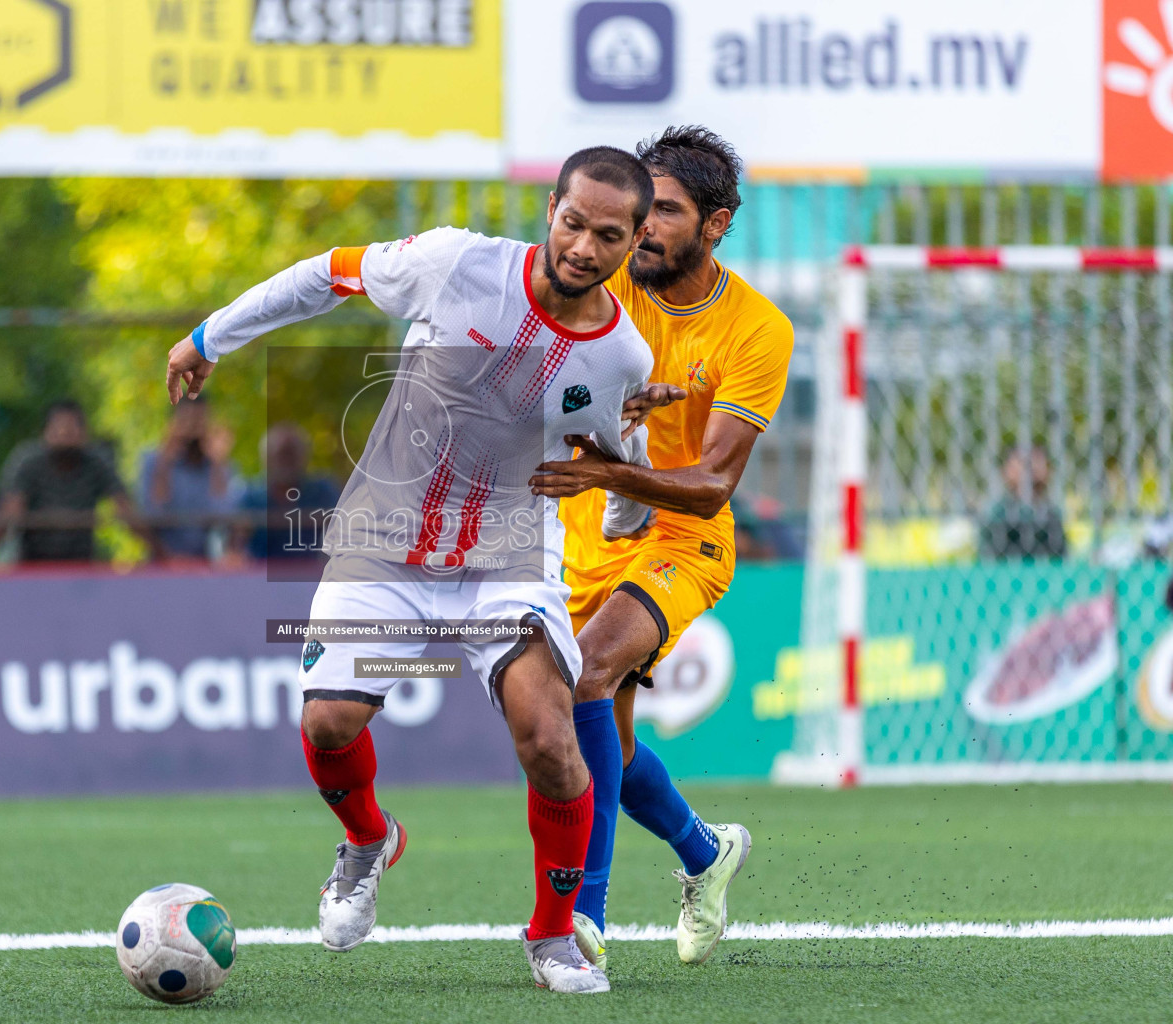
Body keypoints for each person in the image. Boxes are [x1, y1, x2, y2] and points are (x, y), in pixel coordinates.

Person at [165, 146, 666, 993]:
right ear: (551, 209)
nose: (584, 246)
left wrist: (623, 503)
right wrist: (211, 334)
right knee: (328, 723)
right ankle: (367, 840)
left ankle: (552, 937)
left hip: (507, 556)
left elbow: (625, 464)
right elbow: (326, 274)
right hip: (384, 536)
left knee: (548, 738)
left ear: (633, 240)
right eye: (574, 222)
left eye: (608, 235)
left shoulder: (622, 359)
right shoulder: (454, 262)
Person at [531, 127, 795, 970]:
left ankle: (585, 915)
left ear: (715, 225)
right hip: (584, 534)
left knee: (589, 673)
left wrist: (610, 463)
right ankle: (704, 850)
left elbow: (715, 482)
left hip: (686, 538)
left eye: (666, 213)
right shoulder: (602, 283)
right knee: (596, 735)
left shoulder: (757, 331)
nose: (640, 228)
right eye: (640, 209)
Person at [0, 400, 136, 564]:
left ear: (84, 432)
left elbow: (125, 507)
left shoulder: (96, 462)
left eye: (72, 427)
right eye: (58, 427)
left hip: (81, 564)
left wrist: (161, 553)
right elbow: (11, 512)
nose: (65, 433)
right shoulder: (28, 461)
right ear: (45, 432)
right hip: (34, 563)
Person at [138, 396, 243, 561]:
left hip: (207, 564)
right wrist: (165, 462)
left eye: (200, 421)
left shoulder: (221, 466)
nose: (192, 429)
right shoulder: (153, 461)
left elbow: (224, 515)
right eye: (185, 421)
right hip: (162, 562)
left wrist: (217, 463)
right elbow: (153, 514)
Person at [240, 423, 340, 560]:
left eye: (292, 453)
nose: (287, 461)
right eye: (282, 454)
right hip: (258, 577)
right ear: (266, 458)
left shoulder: (323, 491)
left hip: (314, 576)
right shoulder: (249, 496)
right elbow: (234, 545)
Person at [980, 446, 1067, 560]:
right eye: (1021, 462)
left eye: (1036, 459)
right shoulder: (997, 513)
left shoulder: (1052, 513)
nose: (1029, 468)